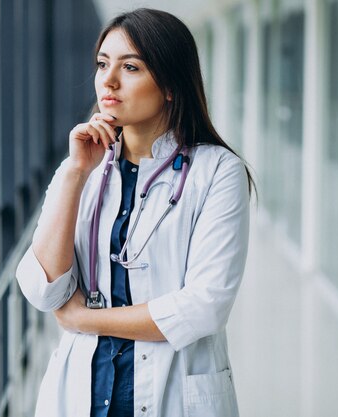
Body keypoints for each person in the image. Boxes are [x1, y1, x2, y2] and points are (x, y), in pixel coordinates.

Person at [16, 8, 254, 417]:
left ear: (170, 86)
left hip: (173, 394)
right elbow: (44, 290)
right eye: (102, 64)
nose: (108, 80)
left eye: (130, 67)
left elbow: (205, 306)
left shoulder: (217, 172)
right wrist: (75, 172)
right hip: (83, 394)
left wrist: (84, 318)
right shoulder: (82, 167)